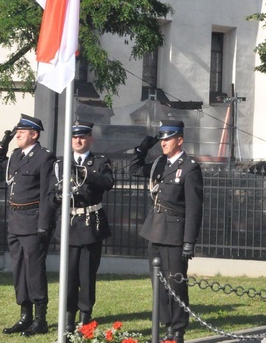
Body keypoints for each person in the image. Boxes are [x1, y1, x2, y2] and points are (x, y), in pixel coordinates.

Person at [130, 120, 204, 343]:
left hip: (175, 234)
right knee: (159, 283)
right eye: (161, 139)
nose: (163, 143)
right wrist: (143, 148)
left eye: (167, 138)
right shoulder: (159, 164)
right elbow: (134, 169)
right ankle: (167, 326)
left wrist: (189, 241)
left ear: (179, 140)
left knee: (176, 284)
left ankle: (178, 329)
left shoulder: (190, 167)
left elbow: (194, 208)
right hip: (155, 230)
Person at [0, 114, 56, 337]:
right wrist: (3, 143)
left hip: (33, 221)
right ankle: (24, 315)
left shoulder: (44, 157)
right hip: (15, 221)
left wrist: (44, 225)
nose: (18, 134)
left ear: (34, 134)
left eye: (22, 131)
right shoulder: (16, 156)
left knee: (34, 271)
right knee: (18, 270)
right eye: (17, 131)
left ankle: (40, 319)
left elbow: (48, 193)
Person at [48, 121, 115, 333]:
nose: (79, 140)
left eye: (83, 137)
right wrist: (57, 198)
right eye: (75, 137)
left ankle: (85, 315)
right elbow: (50, 195)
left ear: (90, 139)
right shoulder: (60, 164)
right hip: (69, 224)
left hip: (90, 225)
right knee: (68, 273)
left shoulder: (100, 162)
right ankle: (69, 316)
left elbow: (107, 183)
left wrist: (81, 171)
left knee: (87, 274)